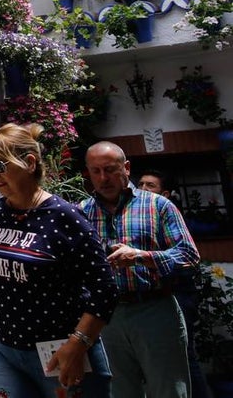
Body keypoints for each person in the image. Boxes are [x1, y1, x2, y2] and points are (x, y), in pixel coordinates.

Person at [0, 123, 117, 397]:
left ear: (29, 162)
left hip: (61, 353)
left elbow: (104, 288)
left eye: (0, 166)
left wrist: (78, 343)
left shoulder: (65, 217)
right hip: (7, 350)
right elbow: (4, 267)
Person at [80, 142, 200, 398]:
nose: (103, 178)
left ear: (126, 168)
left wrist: (142, 256)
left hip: (154, 309)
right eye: (96, 171)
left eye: (110, 169)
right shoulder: (81, 212)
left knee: (169, 390)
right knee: (117, 392)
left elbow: (189, 255)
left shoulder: (158, 206)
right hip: (105, 316)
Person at [137, 169, 210, 398]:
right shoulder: (137, 215)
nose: (143, 189)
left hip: (177, 292)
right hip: (150, 299)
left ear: (165, 193)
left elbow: (187, 256)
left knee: (184, 355)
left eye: (151, 185)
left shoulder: (167, 213)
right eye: (140, 184)